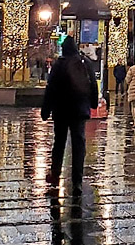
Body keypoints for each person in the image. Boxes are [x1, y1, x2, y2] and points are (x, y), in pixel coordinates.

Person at [41, 36, 98, 193]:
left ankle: (55, 175)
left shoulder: (59, 64)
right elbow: (93, 83)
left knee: (59, 143)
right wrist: (93, 103)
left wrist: (46, 109)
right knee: (79, 144)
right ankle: (77, 181)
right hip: (79, 110)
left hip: (61, 110)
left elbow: (50, 88)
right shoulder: (85, 63)